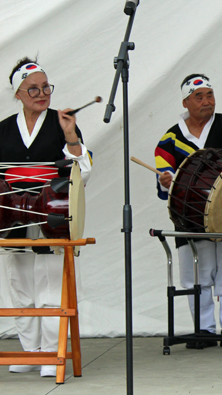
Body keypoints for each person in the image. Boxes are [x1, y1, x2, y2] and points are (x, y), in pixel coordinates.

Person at [0, 57, 92, 376]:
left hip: (53, 215)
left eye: (46, 87)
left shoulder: (62, 122)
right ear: (18, 94)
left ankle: (54, 349)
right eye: (33, 89)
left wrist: (71, 136)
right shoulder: (3, 130)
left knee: (51, 281)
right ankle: (32, 350)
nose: (42, 94)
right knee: (19, 280)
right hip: (12, 218)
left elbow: (85, 172)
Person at [155, 74, 222, 348]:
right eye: (199, 97)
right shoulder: (170, 138)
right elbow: (164, 174)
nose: (207, 101)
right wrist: (164, 179)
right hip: (190, 217)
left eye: (210, 95)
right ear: (186, 101)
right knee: (196, 273)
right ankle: (204, 330)